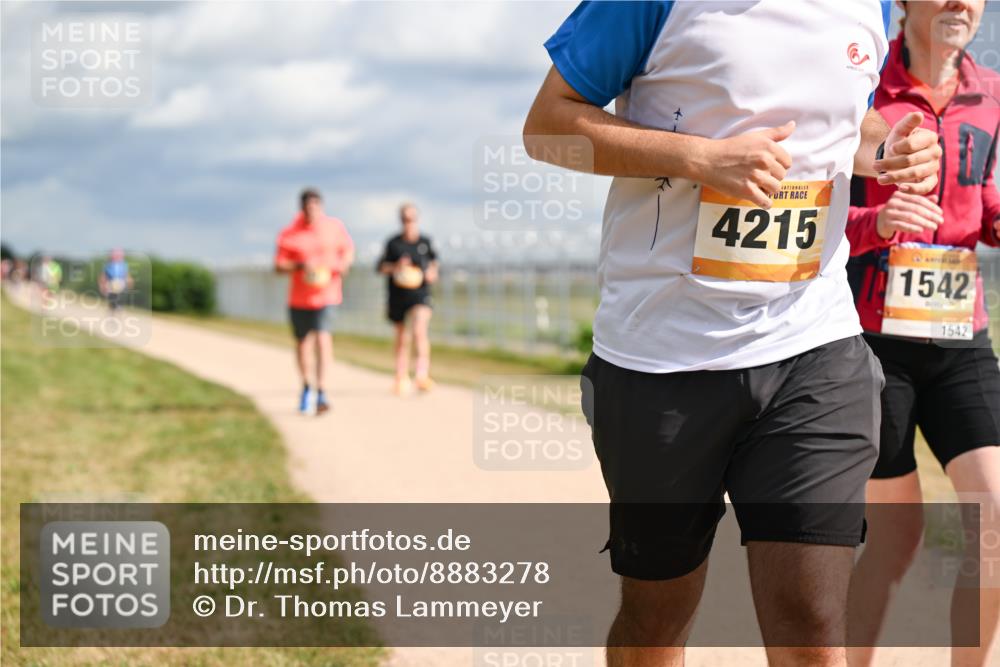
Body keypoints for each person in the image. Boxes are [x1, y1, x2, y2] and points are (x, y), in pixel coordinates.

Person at [524, 2, 942, 665]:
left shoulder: (873, 5)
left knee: (811, 619)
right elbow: (547, 127)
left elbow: (838, 118)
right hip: (661, 355)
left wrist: (885, 148)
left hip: (815, 343)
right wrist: (701, 158)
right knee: (657, 615)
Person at [844, 2, 1000, 665]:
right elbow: (812, 201)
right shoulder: (856, 84)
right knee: (896, 535)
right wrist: (870, 223)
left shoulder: (991, 94)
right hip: (870, 339)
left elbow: (980, 198)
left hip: (962, 333)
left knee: (995, 518)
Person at [275, 188, 355, 415]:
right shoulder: (290, 233)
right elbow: (279, 265)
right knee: (303, 344)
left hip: (328, 294)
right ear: (302, 208)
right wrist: (300, 266)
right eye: (308, 207)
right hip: (300, 298)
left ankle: (322, 390)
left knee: (322, 337)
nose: (312, 210)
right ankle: (306, 386)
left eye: (316, 206)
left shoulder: (334, 227)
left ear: (321, 206)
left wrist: (344, 264)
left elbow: (347, 251)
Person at [377, 203, 439, 396]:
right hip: (398, 295)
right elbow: (380, 267)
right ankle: (401, 376)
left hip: (420, 294)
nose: (408, 222)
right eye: (405, 219)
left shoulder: (425, 242)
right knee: (402, 337)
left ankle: (421, 374)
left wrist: (431, 273)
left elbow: (434, 265)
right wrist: (396, 266)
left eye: (411, 218)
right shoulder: (393, 243)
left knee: (420, 331)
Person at [99, 248, 132, 313]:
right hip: (111, 282)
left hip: (120, 282)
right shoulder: (108, 265)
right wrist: (102, 285)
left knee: (116, 289)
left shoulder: (124, 265)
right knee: (112, 291)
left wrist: (129, 282)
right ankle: (113, 306)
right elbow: (104, 276)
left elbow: (126, 275)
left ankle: (116, 305)